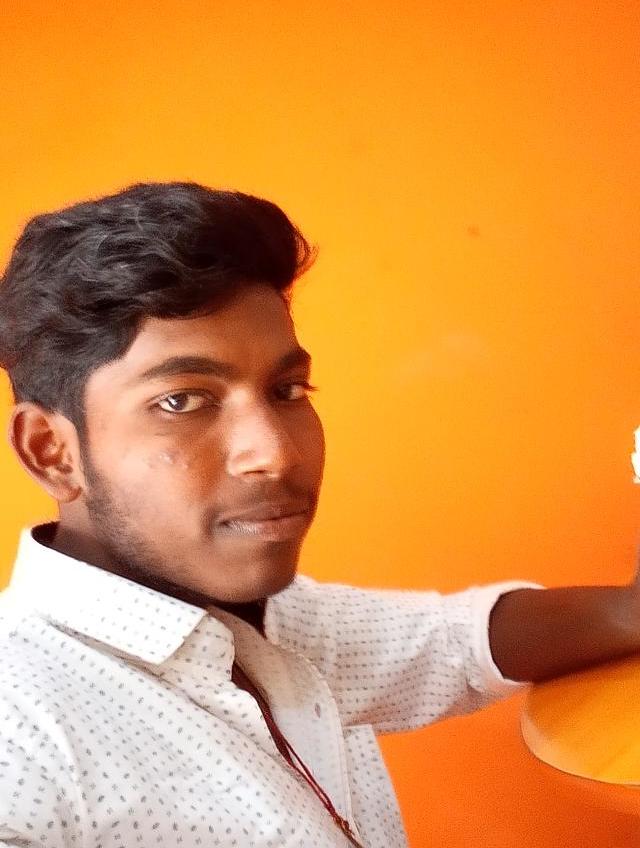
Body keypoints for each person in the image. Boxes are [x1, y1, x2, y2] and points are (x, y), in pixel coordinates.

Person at [0, 182, 637, 848]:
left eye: (288, 390)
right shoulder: (20, 736)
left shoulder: (271, 623)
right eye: (182, 401)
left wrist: (629, 613)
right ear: (52, 452)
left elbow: (453, 645)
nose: (274, 453)